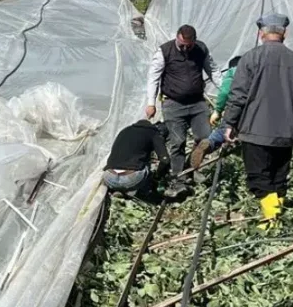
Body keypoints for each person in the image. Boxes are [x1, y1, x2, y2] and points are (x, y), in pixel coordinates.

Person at [222, 13, 293, 229]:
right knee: (278, 178)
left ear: (260, 33)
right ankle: (273, 221)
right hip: (287, 133)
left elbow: (238, 95)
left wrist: (230, 123)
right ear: (285, 33)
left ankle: (271, 222)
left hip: (256, 131)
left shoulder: (250, 58)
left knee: (259, 178)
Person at [145, 24, 220, 191]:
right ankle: (178, 177)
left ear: (194, 40)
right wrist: (151, 103)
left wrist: (225, 92)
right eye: (182, 44)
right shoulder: (164, 51)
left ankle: (194, 168)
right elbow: (153, 77)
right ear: (177, 38)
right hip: (173, 103)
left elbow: (213, 70)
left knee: (205, 137)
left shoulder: (201, 49)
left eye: (189, 45)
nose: (185, 48)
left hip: (197, 103)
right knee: (178, 141)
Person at [189, 55, 242, 169]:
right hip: (252, 110)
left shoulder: (232, 72)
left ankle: (210, 143)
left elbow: (224, 92)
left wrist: (218, 111)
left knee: (224, 130)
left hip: (233, 108)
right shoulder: (255, 73)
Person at [102, 119, 170, 195]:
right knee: (147, 164)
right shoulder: (154, 133)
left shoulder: (125, 130)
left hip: (109, 177)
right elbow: (165, 160)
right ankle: (143, 193)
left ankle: (119, 190)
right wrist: (158, 175)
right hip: (130, 179)